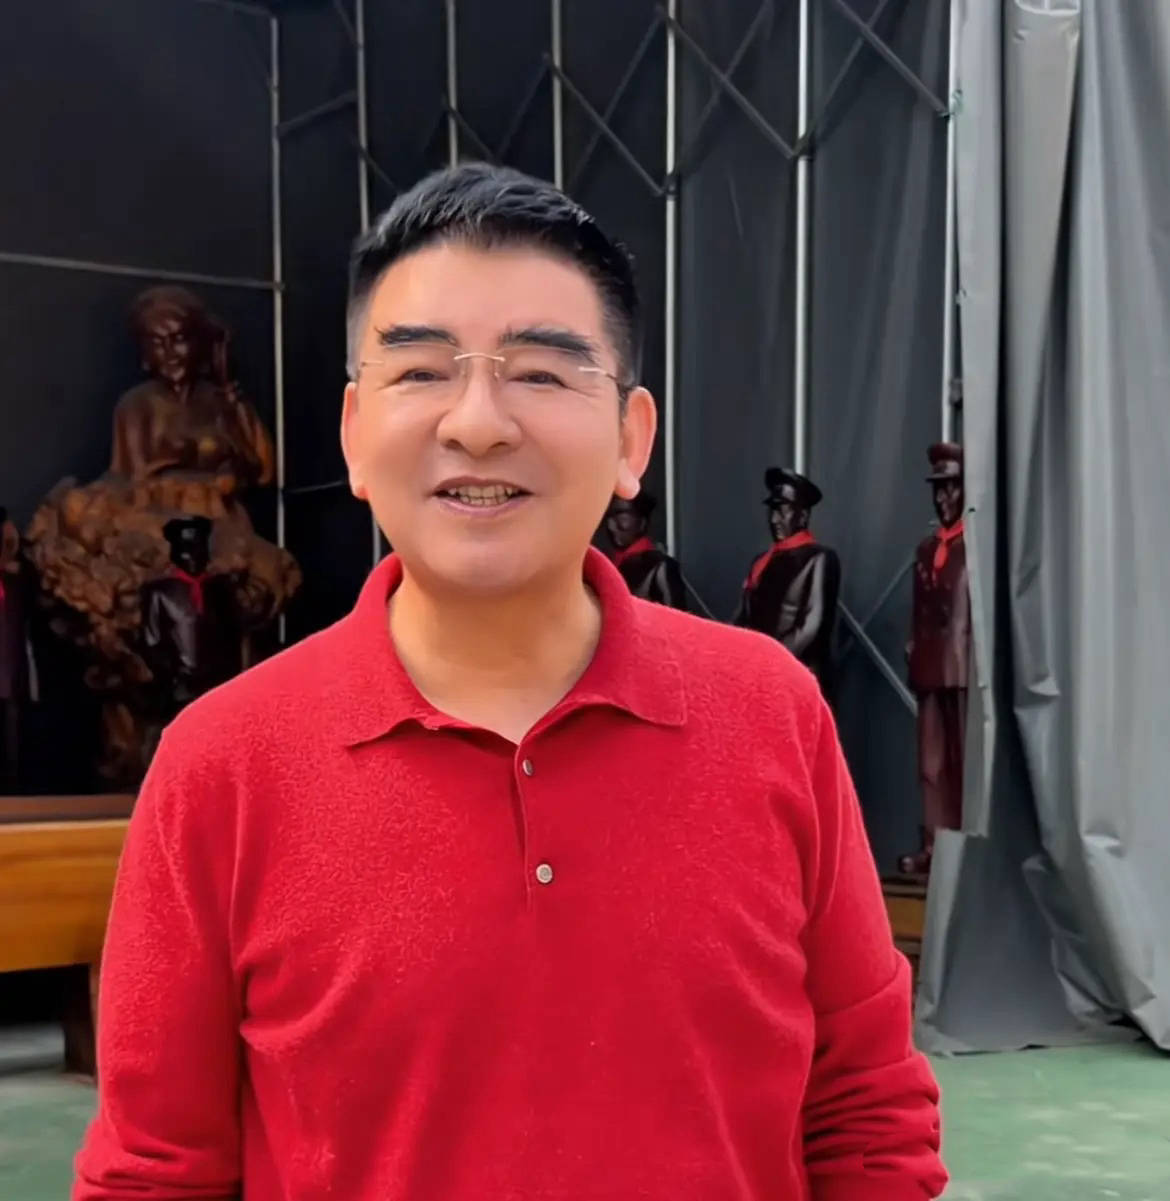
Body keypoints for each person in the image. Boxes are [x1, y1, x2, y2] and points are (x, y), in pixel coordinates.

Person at [75, 164, 945, 1201]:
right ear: (354, 436)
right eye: (421, 371)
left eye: (540, 372)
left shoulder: (769, 711)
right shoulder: (223, 762)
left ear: (630, 440)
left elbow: (866, 1113)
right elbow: (155, 1173)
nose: (478, 422)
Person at [900, 442, 970, 876]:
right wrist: (912, 647)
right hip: (930, 665)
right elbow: (918, 609)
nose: (943, 498)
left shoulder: (977, 545)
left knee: (964, 763)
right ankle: (933, 845)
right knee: (931, 765)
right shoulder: (926, 549)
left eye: (951, 488)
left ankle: (966, 849)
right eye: (937, 489)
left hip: (964, 668)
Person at [736, 466, 841, 696]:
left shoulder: (819, 559)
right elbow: (743, 618)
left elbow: (811, 627)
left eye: (782, 511)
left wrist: (771, 662)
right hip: (759, 676)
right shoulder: (762, 562)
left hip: (799, 679)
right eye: (772, 510)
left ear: (802, 515)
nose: (774, 519)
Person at [603, 491, 687, 608]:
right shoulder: (606, 565)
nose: (610, 526)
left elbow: (676, 616)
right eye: (607, 517)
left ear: (642, 522)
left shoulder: (660, 566)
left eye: (620, 515)